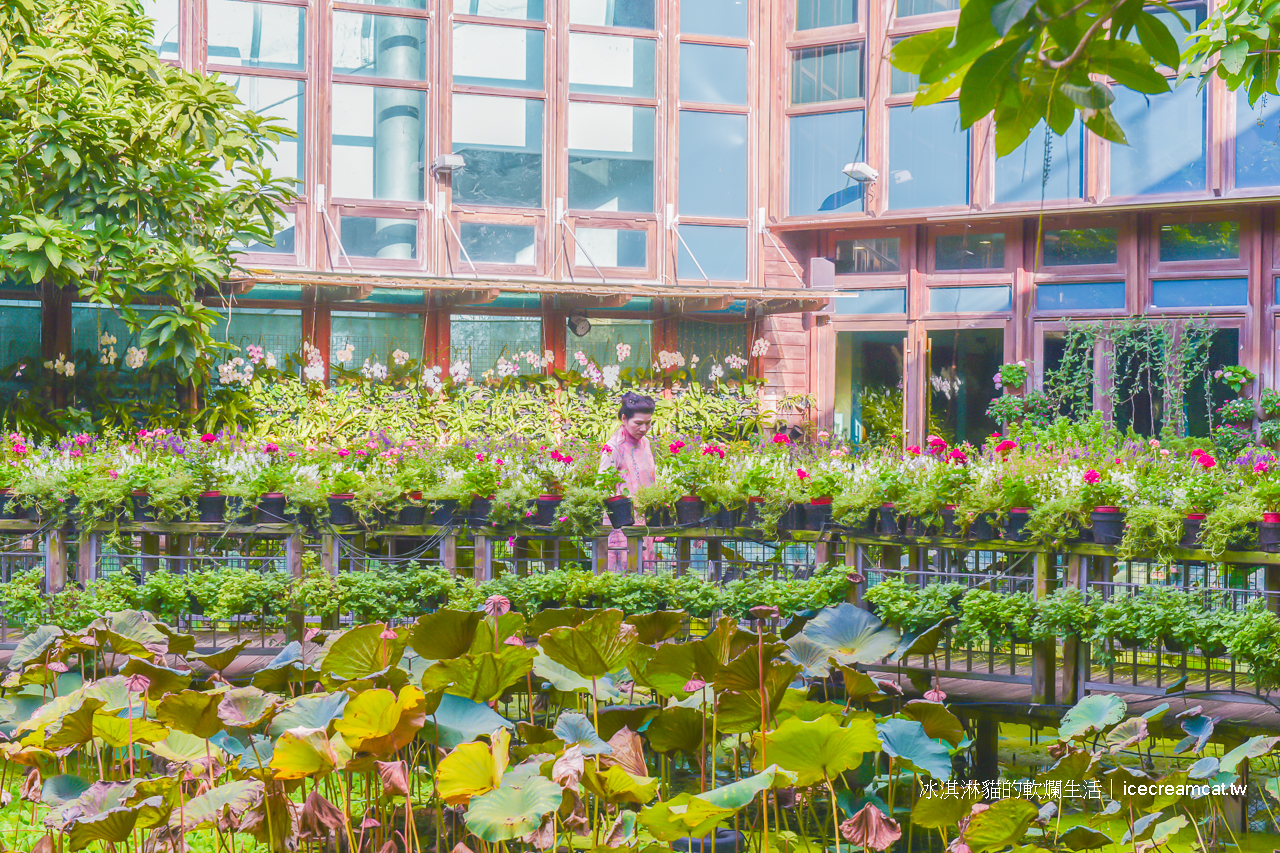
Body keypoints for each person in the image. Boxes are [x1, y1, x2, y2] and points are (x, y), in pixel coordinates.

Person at [600, 392, 657, 572]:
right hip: (621, 527)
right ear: (624, 419)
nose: (644, 428)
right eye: (638, 423)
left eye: (648, 423)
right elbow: (602, 487)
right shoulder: (613, 447)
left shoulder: (645, 443)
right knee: (623, 577)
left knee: (644, 575)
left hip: (643, 522)